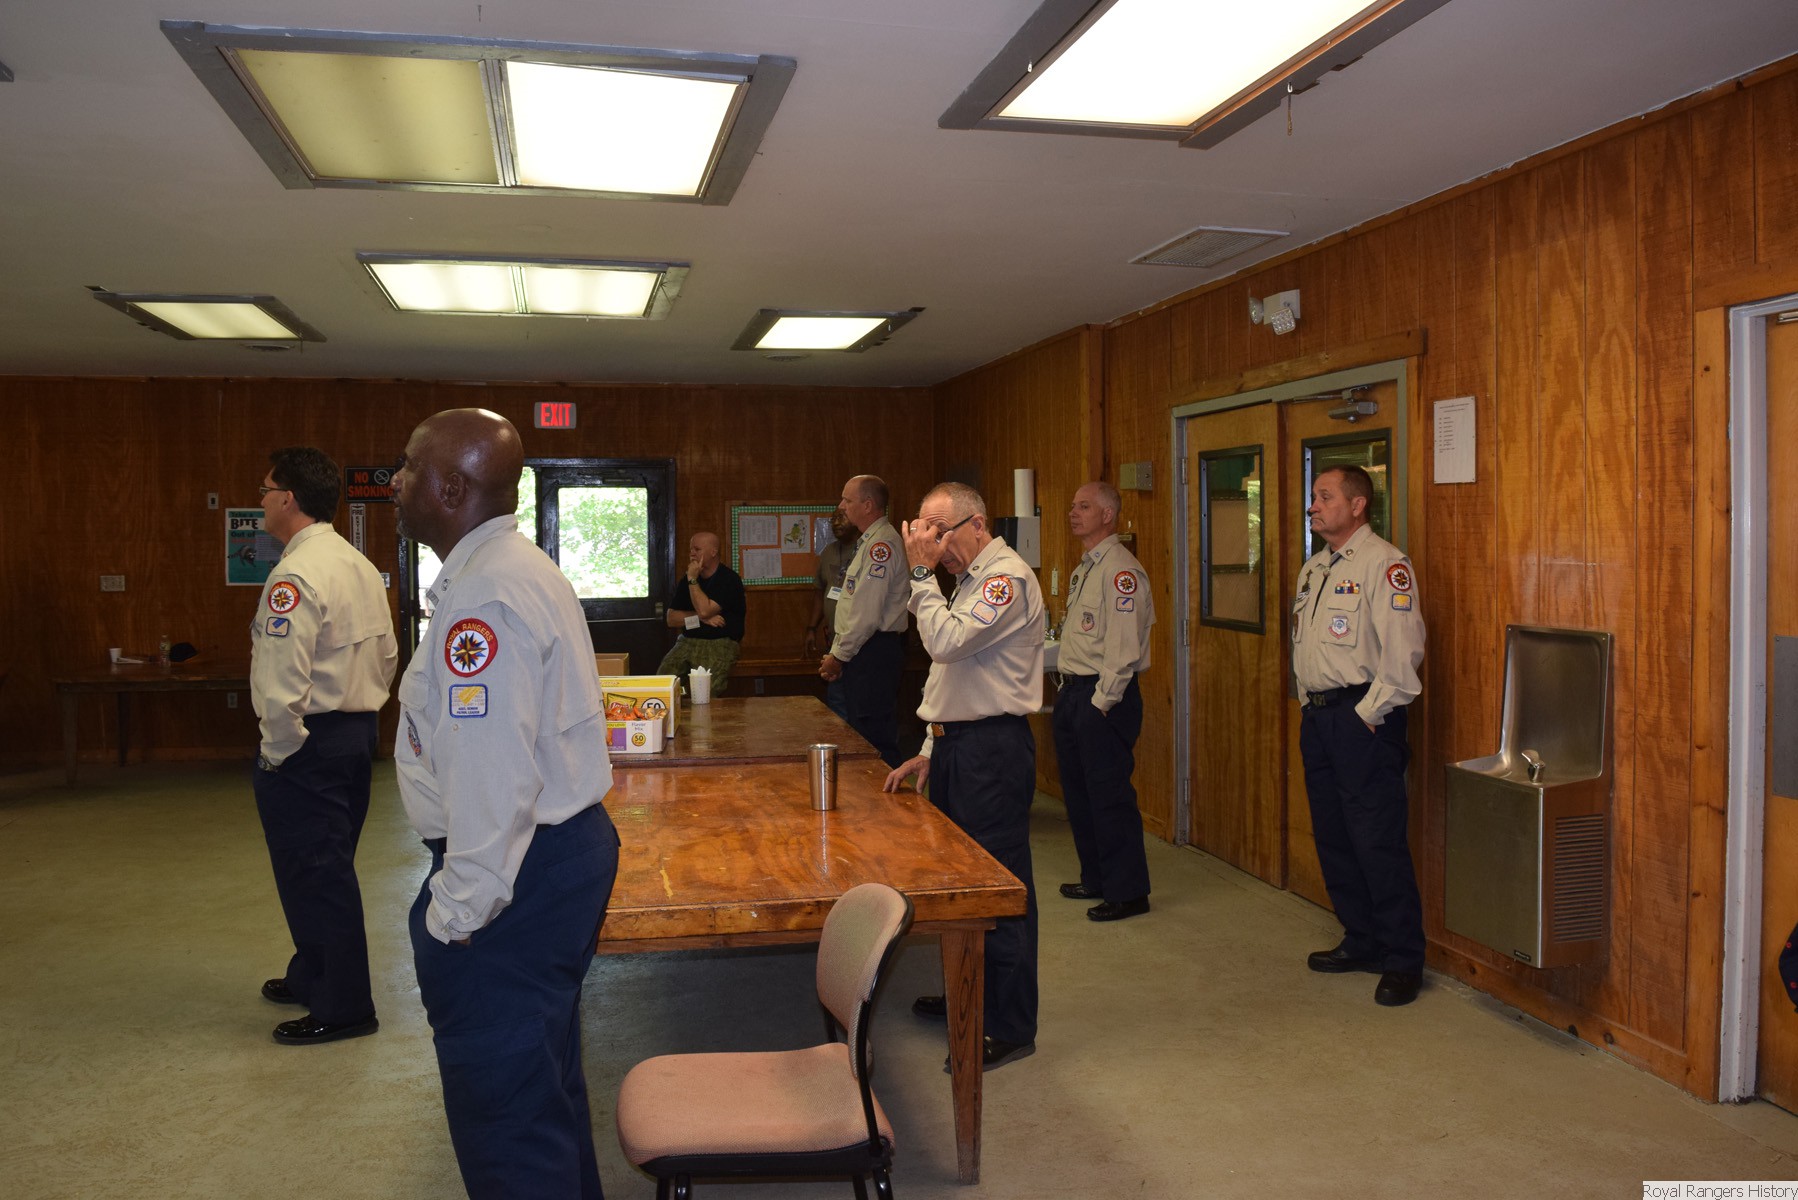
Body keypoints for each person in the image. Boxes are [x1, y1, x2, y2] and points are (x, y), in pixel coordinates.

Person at [390, 408, 622, 1198]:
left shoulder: (486, 596)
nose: (395, 482)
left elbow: (492, 776)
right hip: (553, 854)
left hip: (514, 877)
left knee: (509, 1123)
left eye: (409, 467)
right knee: (543, 1088)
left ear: (452, 489)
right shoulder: (515, 568)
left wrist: (455, 917)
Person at [884, 482, 1044, 1070]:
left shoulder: (1007, 578)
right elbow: (948, 676)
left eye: (939, 532)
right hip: (959, 748)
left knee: (997, 884)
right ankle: (967, 990)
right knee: (958, 882)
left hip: (992, 753)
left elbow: (947, 643)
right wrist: (932, 744)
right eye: (922, 533)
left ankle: (1009, 1023)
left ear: (977, 524)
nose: (931, 545)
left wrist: (920, 575)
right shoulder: (971, 580)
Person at [250, 446, 397, 1046]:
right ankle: (312, 973)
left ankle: (344, 1005)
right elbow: (387, 655)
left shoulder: (296, 575)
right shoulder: (356, 564)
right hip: (352, 734)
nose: (261, 500)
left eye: (265, 490)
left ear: (288, 499)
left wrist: (279, 750)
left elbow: (281, 677)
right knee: (322, 867)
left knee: (316, 873)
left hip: (307, 743)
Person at [1292, 464, 1427, 1007]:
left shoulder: (1385, 564)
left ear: (1356, 505)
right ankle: (1362, 938)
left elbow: (1404, 653)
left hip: (1363, 718)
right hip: (1320, 718)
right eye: (1314, 497)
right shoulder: (1314, 568)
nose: (1313, 506)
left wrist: (1366, 716)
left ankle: (1402, 959)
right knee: (1333, 835)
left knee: (1376, 840)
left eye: (1324, 497)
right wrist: (1309, 702)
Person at [1053, 481, 1155, 922]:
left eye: (1084, 506)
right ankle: (1096, 877)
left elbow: (1123, 648)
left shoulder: (1120, 571)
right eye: (1073, 505)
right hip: (1074, 691)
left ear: (1108, 515)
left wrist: (1101, 703)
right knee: (1079, 794)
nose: (1073, 513)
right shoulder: (1086, 567)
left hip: (1103, 697)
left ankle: (1128, 892)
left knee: (1109, 796)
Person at [818, 475, 910, 766]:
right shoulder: (868, 542)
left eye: (847, 500)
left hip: (874, 650)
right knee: (860, 731)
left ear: (868, 505)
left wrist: (838, 656)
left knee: (874, 736)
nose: (841, 506)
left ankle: (887, 792)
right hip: (864, 650)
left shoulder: (881, 546)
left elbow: (866, 615)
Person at [656, 531, 747, 695]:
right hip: (687, 640)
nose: (692, 554)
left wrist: (693, 579)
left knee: (705, 692)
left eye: (697, 549)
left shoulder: (728, 579)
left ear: (713, 552)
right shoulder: (686, 580)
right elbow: (672, 619)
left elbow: (705, 610)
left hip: (719, 642)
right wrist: (699, 619)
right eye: (691, 549)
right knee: (662, 684)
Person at [806, 509, 859, 718]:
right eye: (834, 519)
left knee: (859, 701)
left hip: (859, 640)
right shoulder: (828, 552)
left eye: (842, 517)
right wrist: (811, 628)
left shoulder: (865, 550)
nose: (836, 522)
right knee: (836, 698)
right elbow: (820, 592)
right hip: (834, 638)